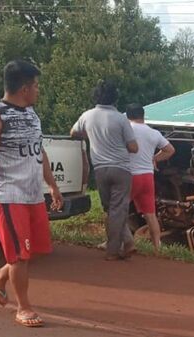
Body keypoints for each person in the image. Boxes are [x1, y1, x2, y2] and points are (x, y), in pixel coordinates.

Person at [0, 60, 63, 327]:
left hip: (33, 194)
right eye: (36, 86)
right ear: (24, 88)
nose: (38, 90)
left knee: (37, 249)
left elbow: (40, 151)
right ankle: (23, 307)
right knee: (20, 256)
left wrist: (52, 185)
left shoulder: (32, 114)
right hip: (9, 196)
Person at [70, 80, 138, 260]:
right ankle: (114, 250)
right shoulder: (121, 119)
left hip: (100, 169)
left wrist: (90, 136)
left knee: (111, 209)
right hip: (121, 169)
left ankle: (128, 241)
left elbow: (73, 133)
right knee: (118, 209)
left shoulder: (87, 116)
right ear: (115, 98)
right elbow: (133, 147)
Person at [126, 103, 175, 254]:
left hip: (130, 175)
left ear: (127, 116)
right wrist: (154, 158)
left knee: (118, 210)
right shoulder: (153, 133)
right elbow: (170, 150)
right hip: (147, 176)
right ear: (143, 115)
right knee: (150, 214)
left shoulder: (127, 131)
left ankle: (117, 241)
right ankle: (157, 247)